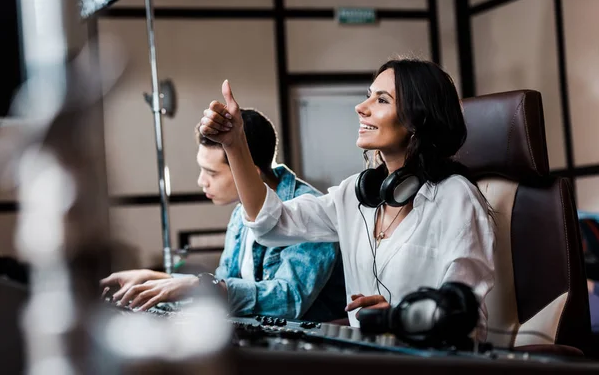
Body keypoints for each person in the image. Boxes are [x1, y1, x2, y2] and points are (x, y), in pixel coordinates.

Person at [198, 58, 496, 338]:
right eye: (368, 95)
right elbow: (271, 225)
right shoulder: (356, 194)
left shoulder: (456, 196)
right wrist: (235, 143)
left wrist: (401, 319)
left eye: (381, 100)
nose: (360, 107)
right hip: (366, 359)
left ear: (418, 119)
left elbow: (468, 318)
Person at [101, 108, 346, 323]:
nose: (201, 181)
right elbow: (223, 283)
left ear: (249, 172)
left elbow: (289, 299)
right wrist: (153, 279)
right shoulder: (240, 212)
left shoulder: (309, 211)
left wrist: (197, 286)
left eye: (212, 173)